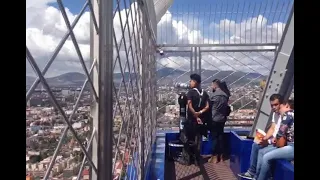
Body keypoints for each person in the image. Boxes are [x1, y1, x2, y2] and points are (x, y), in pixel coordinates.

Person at [238, 94, 283, 179]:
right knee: (256, 144)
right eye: (272, 105)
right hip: (273, 140)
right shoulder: (275, 114)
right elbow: (272, 128)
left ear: (281, 104)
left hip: (279, 142)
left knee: (263, 152)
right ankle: (252, 171)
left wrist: (269, 140)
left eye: (276, 105)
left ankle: (260, 176)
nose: (274, 107)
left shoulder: (285, 116)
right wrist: (265, 138)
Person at [254, 99, 294, 180]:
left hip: (292, 147)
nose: (280, 110)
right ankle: (257, 176)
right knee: (263, 152)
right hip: (289, 145)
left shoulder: (289, 114)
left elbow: (281, 131)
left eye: (281, 107)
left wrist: (276, 138)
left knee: (266, 157)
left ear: (286, 106)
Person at [177, 73, 210, 166]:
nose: (189, 82)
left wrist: (195, 114)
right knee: (198, 140)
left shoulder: (191, 92)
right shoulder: (205, 93)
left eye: (191, 81)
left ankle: (186, 159)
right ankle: (197, 159)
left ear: (195, 82)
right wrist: (200, 113)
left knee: (186, 138)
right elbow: (207, 106)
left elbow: (190, 104)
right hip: (201, 121)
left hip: (191, 121)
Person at [208, 79, 230, 163]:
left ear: (215, 85)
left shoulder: (213, 96)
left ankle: (214, 157)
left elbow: (209, 107)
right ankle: (221, 156)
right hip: (222, 119)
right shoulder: (225, 95)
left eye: (212, 85)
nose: (211, 87)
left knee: (214, 137)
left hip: (214, 118)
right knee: (220, 136)